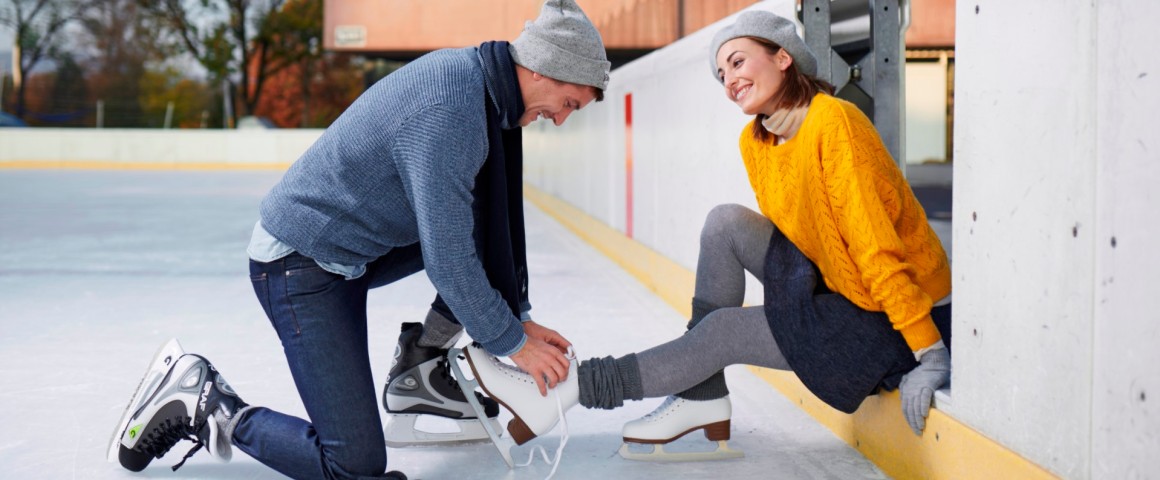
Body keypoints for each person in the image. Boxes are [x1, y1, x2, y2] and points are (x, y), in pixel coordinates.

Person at [106, 0, 609, 478]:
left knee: (475, 221)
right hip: (298, 263)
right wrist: (514, 343)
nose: (561, 120)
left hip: (348, 255)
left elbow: (491, 224)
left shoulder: (483, 88)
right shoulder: (454, 106)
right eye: (567, 103)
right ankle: (207, 405)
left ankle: (421, 363)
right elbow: (449, 259)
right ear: (541, 68)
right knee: (354, 466)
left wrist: (517, 317)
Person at [463, 9, 953, 461]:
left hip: (893, 317)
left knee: (720, 333)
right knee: (725, 222)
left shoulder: (835, 122)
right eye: (722, 75)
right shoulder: (757, 139)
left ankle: (572, 390)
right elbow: (806, 237)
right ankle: (702, 395)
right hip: (843, 285)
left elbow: (875, 247)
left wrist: (928, 350)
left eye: (738, 62)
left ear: (783, 58)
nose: (730, 81)